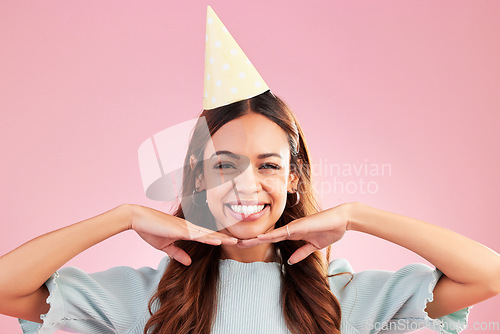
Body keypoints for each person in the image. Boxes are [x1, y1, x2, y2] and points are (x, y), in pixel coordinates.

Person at [1, 6, 499, 334]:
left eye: (268, 165)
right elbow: (8, 289)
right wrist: (124, 217)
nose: (246, 184)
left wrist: (357, 215)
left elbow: (488, 275)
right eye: (224, 165)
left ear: (293, 179)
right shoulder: (150, 296)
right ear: (198, 179)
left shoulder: (341, 297)